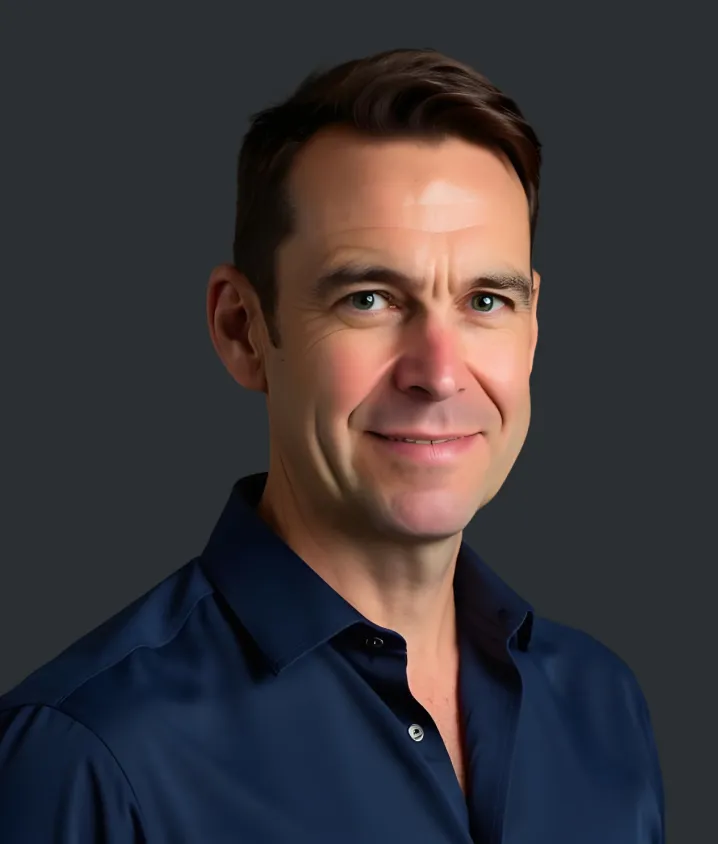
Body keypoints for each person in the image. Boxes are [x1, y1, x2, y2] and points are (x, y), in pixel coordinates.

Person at [0, 48, 665, 843]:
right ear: (243, 331)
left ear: (532, 329)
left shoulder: (602, 706)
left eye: (486, 300)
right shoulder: (87, 756)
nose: (439, 372)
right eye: (371, 298)